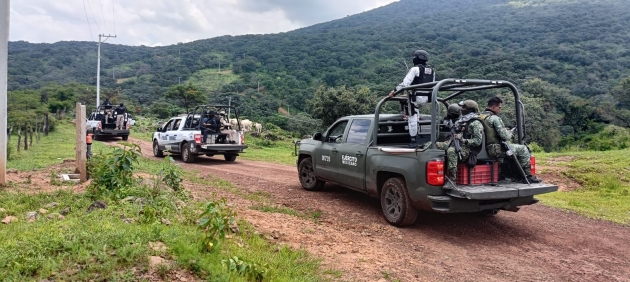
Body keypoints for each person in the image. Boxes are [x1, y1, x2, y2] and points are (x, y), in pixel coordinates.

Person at [479, 96, 541, 184]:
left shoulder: (480, 117)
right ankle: (527, 176)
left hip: (483, 149)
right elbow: (505, 137)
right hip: (495, 150)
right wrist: (510, 133)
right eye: (499, 107)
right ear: (493, 107)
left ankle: (502, 174)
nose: (499, 110)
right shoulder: (494, 118)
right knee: (523, 149)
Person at [388, 49, 436, 147]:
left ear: (416, 58)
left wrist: (394, 91)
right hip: (427, 98)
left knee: (412, 116)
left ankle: (413, 140)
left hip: (415, 98)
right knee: (416, 112)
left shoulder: (415, 69)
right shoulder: (432, 70)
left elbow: (405, 84)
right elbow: (433, 84)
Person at [435, 100, 484, 181]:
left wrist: (463, 139)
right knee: (431, 145)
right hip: (453, 143)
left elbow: (477, 141)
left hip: (467, 149)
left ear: (470, 109)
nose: (461, 109)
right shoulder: (460, 121)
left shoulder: (475, 123)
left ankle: (452, 179)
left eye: (464, 107)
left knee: (451, 151)